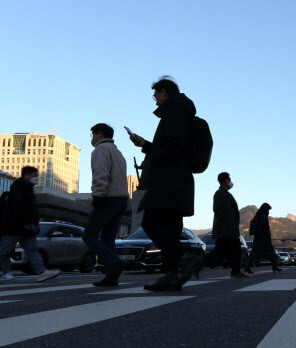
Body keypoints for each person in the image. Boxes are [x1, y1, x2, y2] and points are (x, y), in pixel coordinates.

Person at [130, 76, 198, 291]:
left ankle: (185, 257)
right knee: (170, 228)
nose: (155, 100)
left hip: (170, 178)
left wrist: (155, 155)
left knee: (151, 221)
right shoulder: (181, 111)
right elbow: (173, 146)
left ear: (164, 92)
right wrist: (145, 145)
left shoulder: (175, 111)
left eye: (156, 95)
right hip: (179, 178)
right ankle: (171, 276)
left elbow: (176, 146)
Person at [82, 124, 129, 287]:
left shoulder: (100, 150)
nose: (92, 138)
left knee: (89, 235)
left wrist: (97, 195)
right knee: (108, 238)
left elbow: (100, 173)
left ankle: (114, 262)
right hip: (122, 200)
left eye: (92, 134)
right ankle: (111, 276)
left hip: (108, 198)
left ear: (99, 134)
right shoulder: (118, 152)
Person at [0, 166, 60, 282]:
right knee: (3, 251)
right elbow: (17, 208)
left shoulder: (27, 188)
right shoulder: (18, 188)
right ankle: (7, 272)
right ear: (26, 175)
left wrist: (33, 224)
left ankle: (41, 272)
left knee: (32, 250)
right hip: (15, 227)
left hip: (26, 227)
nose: (37, 178)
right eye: (35, 175)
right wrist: (26, 223)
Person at [212, 172, 248, 278]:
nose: (231, 182)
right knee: (236, 248)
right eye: (229, 180)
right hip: (226, 229)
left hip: (229, 229)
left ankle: (196, 264)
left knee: (219, 251)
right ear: (225, 181)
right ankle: (235, 271)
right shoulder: (219, 193)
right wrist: (228, 223)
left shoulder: (226, 193)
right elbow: (217, 210)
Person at [246, 203, 282, 273]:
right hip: (263, 239)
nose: (268, 212)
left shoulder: (258, 215)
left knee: (255, 253)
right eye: (268, 210)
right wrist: (267, 237)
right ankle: (275, 267)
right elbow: (265, 228)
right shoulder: (263, 216)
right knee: (271, 253)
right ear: (266, 209)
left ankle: (247, 267)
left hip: (258, 238)